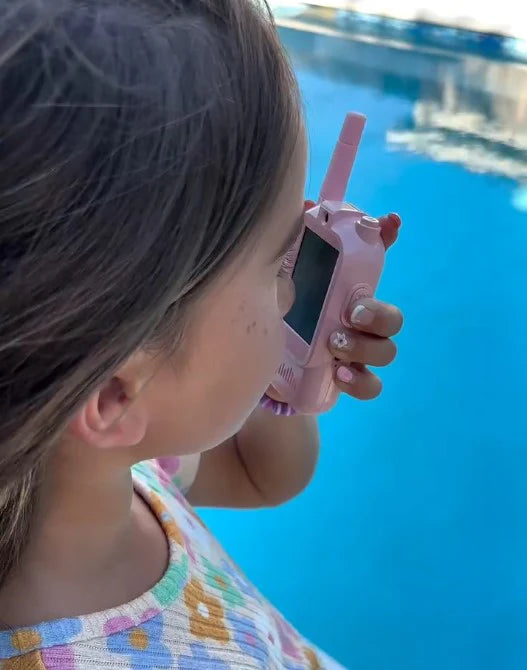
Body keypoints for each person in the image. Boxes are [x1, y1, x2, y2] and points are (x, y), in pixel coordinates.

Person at [0, 0, 403, 668]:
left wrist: (286, 381)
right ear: (114, 394)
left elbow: (261, 472)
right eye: (278, 265)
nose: (292, 291)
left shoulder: (103, 471)